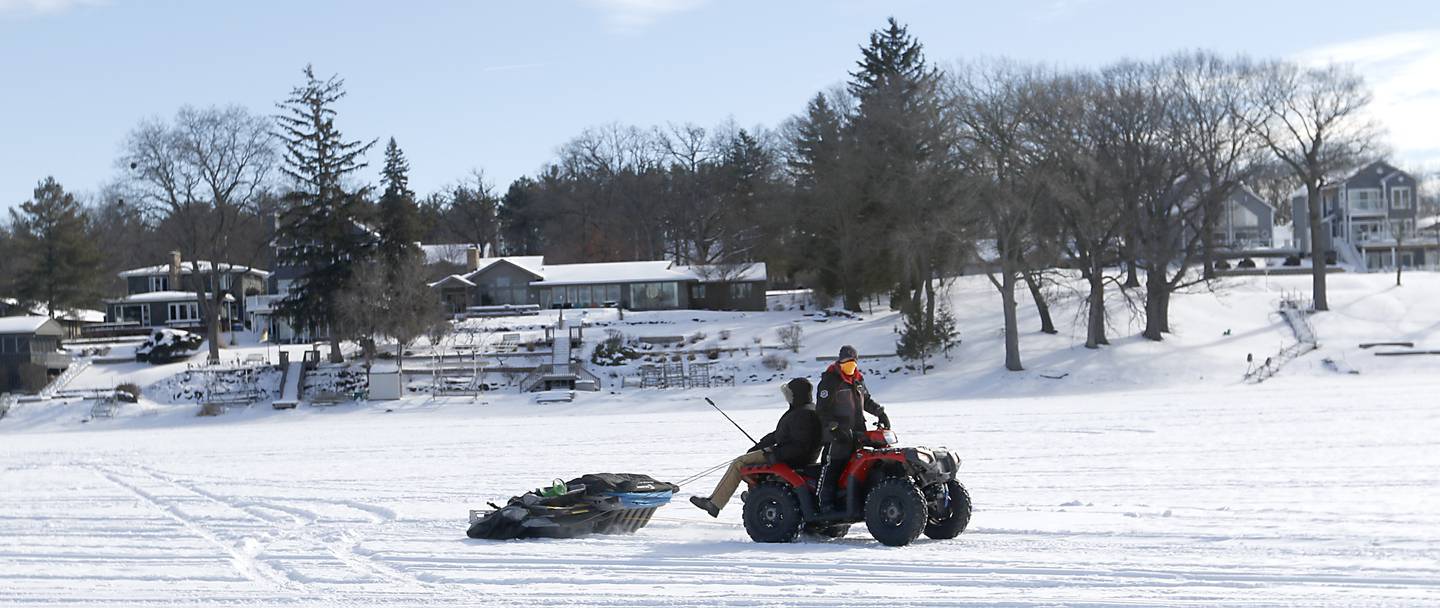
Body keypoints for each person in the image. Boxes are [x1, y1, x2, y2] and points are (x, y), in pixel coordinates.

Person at [689, 377, 821, 518]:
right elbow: (779, 435)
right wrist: (758, 447)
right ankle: (756, 494)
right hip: (795, 455)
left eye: (789, 394)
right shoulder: (807, 410)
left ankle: (714, 504)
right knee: (750, 459)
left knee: (739, 463)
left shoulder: (801, 415)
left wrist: (776, 455)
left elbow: (800, 445)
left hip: (789, 457)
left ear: (796, 395)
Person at [814, 344, 889, 514]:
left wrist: (880, 413)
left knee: (860, 466)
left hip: (857, 433)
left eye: (852, 364)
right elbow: (822, 411)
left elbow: (867, 400)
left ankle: (854, 499)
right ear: (839, 362)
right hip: (836, 435)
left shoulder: (858, 380)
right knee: (833, 466)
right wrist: (834, 427)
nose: (849, 367)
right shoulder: (830, 381)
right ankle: (824, 503)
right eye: (845, 363)